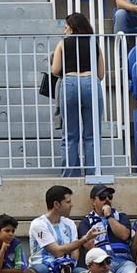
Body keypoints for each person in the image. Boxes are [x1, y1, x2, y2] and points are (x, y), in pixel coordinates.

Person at [50, 14, 102, 179]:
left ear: (71, 27)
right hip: (91, 82)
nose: (64, 30)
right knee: (92, 134)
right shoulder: (94, 43)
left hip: (70, 82)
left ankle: (71, 175)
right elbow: (101, 74)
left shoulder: (63, 43)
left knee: (70, 134)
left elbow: (55, 70)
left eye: (65, 27)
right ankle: (93, 173)